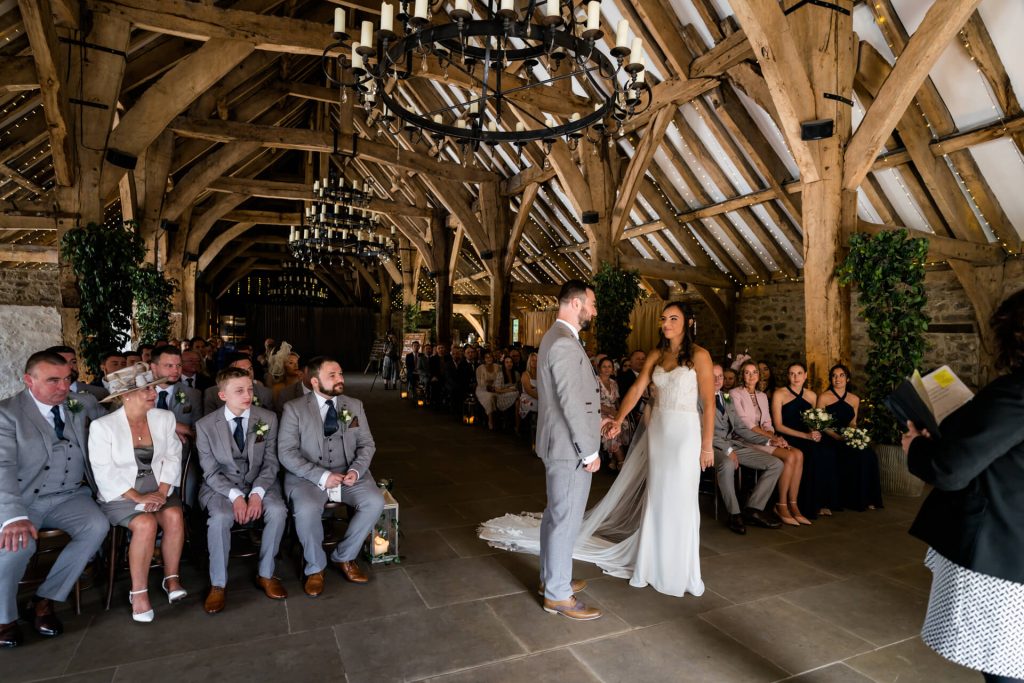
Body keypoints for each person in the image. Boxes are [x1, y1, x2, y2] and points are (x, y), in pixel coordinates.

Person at [481, 299, 716, 601]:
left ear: (688, 323)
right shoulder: (656, 354)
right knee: (657, 497)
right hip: (659, 432)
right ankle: (651, 565)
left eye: (673, 319)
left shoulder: (700, 356)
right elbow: (636, 390)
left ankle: (680, 569)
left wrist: (706, 445)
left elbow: (709, 403)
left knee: (681, 498)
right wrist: (617, 420)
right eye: (663, 318)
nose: (666, 324)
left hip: (685, 435)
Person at [902, 289, 1024, 683]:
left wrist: (916, 447)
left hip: (1004, 554)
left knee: (1005, 668)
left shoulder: (1017, 394)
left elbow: (950, 470)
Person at [0, 351, 109, 647]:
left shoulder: (80, 402)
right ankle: (4, 617)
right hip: (24, 499)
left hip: (70, 495)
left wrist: (163, 425)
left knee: (97, 526)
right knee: (17, 545)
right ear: (29, 380)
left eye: (67, 379)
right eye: (53, 380)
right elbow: (2, 467)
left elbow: (116, 422)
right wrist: (12, 517)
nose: (63, 387)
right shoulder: (7, 413)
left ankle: (44, 600)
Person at [88, 363, 187, 623]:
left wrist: (162, 492)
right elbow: (104, 472)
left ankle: (171, 579)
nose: (154, 393)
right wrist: (138, 498)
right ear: (125, 396)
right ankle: (139, 593)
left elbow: (173, 456)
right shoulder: (102, 427)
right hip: (121, 494)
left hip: (159, 486)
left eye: (153, 387)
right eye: (146, 389)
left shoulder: (164, 418)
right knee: (145, 524)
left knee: (174, 515)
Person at [278, 357, 383, 594]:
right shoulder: (294, 409)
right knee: (306, 509)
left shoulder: (354, 405)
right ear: (315, 381)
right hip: (307, 477)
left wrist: (355, 470)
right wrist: (322, 476)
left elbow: (367, 444)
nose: (340, 379)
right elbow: (286, 452)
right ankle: (315, 567)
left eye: (341, 374)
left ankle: (344, 556)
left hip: (348, 473)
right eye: (332, 375)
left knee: (374, 502)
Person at [196, 367, 288, 614]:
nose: (247, 395)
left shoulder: (267, 419)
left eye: (249, 389)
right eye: (239, 391)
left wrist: (257, 493)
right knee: (220, 517)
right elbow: (210, 472)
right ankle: (218, 584)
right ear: (223, 395)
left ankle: (266, 573)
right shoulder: (205, 426)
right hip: (220, 486)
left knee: (277, 511)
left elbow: (271, 463)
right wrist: (236, 497)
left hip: (260, 481)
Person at [706, 364, 784, 535]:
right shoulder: (698, 398)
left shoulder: (726, 397)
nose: (718, 380)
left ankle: (753, 509)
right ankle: (734, 514)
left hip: (732, 444)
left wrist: (769, 441)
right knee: (727, 464)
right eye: (713, 376)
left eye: (720, 376)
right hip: (709, 447)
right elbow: (702, 431)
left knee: (776, 464)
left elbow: (741, 428)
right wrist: (728, 451)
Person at [732, 361, 807, 526]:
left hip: (766, 437)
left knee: (798, 454)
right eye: (747, 372)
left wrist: (775, 437)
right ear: (742, 375)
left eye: (754, 372)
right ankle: (781, 505)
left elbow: (767, 422)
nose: (751, 376)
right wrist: (773, 439)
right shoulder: (735, 393)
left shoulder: (762, 396)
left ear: (759, 375)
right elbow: (746, 424)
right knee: (789, 456)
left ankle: (793, 504)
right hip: (745, 439)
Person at [771, 362, 840, 521]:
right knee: (812, 453)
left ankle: (820, 502)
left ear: (805, 375)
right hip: (787, 436)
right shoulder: (779, 394)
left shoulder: (811, 396)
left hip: (806, 436)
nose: (796, 377)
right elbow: (778, 426)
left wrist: (814, 433)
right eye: (792, 374)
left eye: (799, 373)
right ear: (788, 376)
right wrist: (805, 436)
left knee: (827, 452)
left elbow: (813, 422)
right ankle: (800, 504)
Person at [817, 364, 883, 511]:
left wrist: (855, 435)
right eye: (834, 376)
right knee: (829, 455)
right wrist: (836, 436)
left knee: (868, 454)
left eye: (841, 375)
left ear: (847, 379)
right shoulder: (824, 397)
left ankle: (865, 498)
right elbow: (821, 424)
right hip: (829, 435)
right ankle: (830, 501)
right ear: (831, 379)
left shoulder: (854, 399)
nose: (837, 379)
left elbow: (852, 422)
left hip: (846, 436)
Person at [149, 346, 201, 444]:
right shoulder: (137, 394)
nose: (176, 370)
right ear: (154, 367)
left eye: (179, 365)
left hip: (181, 451)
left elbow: (199, 434)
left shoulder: (193, 394)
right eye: (169, 366)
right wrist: (172, 426)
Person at [203, 352, 275, 415]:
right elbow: (209, 423)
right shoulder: (213, 394)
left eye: (250, 369)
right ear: (229, 372)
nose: (248, 373)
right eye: (241, 370)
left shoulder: (265, 393)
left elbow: (268, 422)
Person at [597, 358, 631, 470]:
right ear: (599, 368)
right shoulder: (595, 381)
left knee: (624, 423)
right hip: (599, 411)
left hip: (612, 411)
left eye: (609, 367)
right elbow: (593, 402)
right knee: (611, 428)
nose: (607, 369)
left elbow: (616, 401)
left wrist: (620, 413)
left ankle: (613, 459)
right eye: (604, 366)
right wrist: (610, 411)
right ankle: (621, 461)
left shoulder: (613, 383)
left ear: (612, 369)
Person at [475, 351, 517, 430]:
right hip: (483, 389)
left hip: (496, 388)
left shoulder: (497, 366)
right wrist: (491, 385)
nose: (489, 359)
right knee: (490, 397)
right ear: (484, 359)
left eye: (490, 357)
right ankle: (490, 420)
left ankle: (502, 420)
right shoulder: (480, 368)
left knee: (500, 395)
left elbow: (502, 376)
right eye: (487, 357)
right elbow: (481, 383)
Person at [518, 352, 539, 434]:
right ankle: (532, 430)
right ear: (529, 362)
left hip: (537, 396)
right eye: (532, 360)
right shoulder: (525, 374)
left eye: (536, 360)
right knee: (537, 404)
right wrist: (541, 398)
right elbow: (528, 390)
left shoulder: (540, 374)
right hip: (526, 397)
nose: (535, 362)